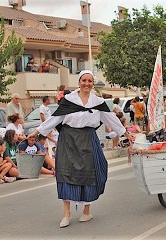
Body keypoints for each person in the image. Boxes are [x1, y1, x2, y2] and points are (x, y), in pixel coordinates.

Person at [27, 70, 132, 228]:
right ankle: (66, 214)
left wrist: (125, 133)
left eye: (90, 81)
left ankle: (86, 211)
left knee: (93, 172)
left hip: (88, 139)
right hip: (68, 140)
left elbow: (110, 118)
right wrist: (36, 132)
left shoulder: (97, 102)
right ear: (79, 82)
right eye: (84, 80)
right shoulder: (69, 100)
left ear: (92, 83)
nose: (87, 84)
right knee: (66, 174)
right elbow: (54, 119)